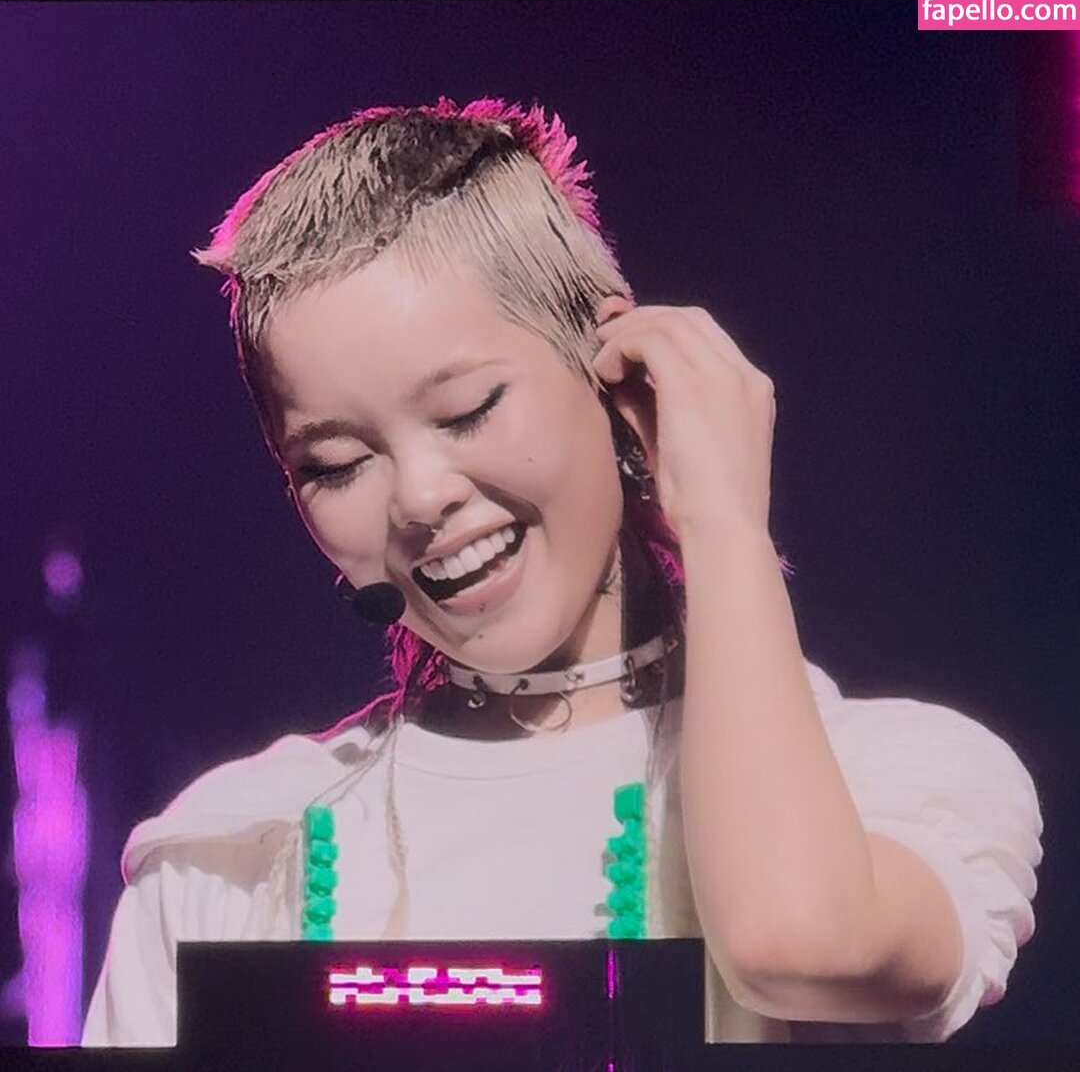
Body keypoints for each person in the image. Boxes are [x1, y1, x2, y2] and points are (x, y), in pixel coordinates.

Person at [82, 97, 1043, 1046]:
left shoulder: (888, 781)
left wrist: (722, 523)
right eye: (335, 465)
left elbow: (798, 943)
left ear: (617, 375)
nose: (419, 497)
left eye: (468, 410)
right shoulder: (233, 852)